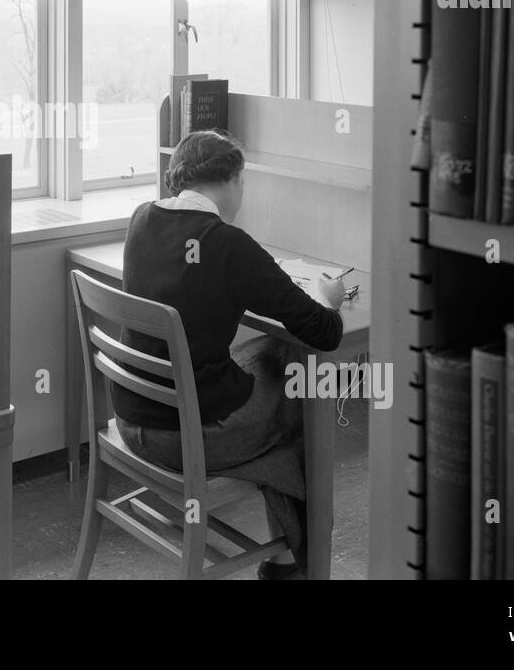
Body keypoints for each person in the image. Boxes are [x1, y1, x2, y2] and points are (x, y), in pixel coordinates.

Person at [113, 130, 346, 579]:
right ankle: (295, 565)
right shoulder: (227, 244)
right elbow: (324, 332)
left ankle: (284, 559)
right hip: (185, 436)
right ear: (234, 179)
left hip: (130, 415)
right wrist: (329, 296)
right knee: (303, 392)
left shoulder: (142, 219)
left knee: (275, 357)